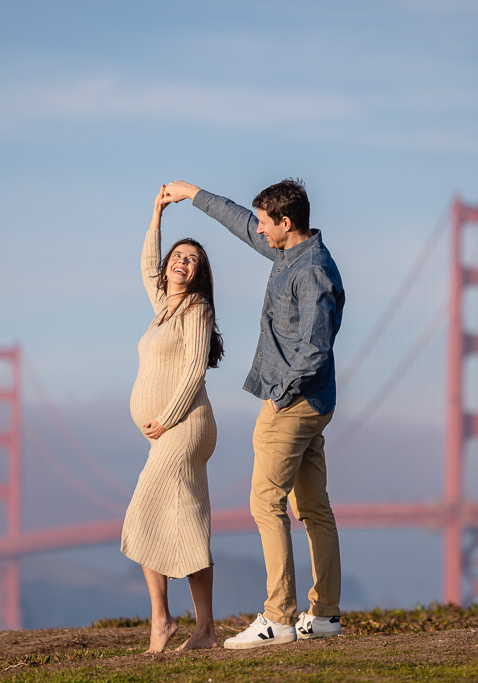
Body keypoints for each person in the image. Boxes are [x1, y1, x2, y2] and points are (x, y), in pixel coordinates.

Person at [162, 178, 345, 649]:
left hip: (294, 404)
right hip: (309, 401)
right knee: (313, 507)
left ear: (286, 222)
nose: (259, 230)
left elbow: (315, 348)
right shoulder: (289, 252)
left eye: (266, 223)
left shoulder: (313, 271)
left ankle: (278, 618)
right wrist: (194, 194)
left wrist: (280, 395)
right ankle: (324, 615)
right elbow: (241, 222)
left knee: (266, 503)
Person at [121, 184, 224, 653]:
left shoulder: (196, 308)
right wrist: (156, 215)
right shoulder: (162, 307)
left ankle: (162, 621)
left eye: (192, 260)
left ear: (199, 274)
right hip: (168, 432)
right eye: (177, 257)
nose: (182, 262)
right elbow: (147, 264)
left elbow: (195, 367)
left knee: (143, 510)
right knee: (187, 523)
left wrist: (165, 418)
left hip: (186, 426)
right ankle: (204, 630)